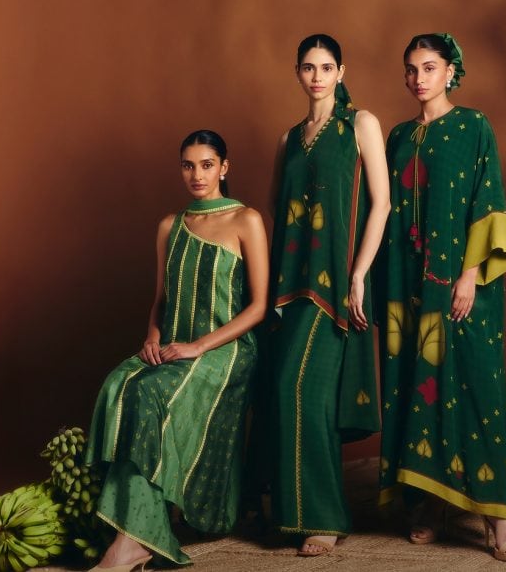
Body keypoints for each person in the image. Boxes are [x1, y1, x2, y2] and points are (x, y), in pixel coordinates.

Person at [82, 130, 268, 571]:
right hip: (172, 344)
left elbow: (259, 306)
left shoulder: (246, 220)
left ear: (224, 167)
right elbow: (161, 301)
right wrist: (151, 338)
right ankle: (137, 524)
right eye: (188, 165)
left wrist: (198, 346)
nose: (197, 175)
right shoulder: (170, 225)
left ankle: (131, 543)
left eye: (207, 165)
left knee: (148, 392)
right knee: (119, 384)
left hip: (226, 350)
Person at [378, 33, 506, 563]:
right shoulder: (398, 136)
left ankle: (499, 520)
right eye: (411, 69)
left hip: (460, 281)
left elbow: (488, 198)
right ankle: (430, 502)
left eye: (429, 67)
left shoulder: (473, 126)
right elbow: (384, 211)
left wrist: (469, 275)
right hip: (407, 284)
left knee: (476, 386)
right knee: (419, 386)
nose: (418, 78)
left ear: (450, 72)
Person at [268, 33, 391, 557]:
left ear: (341, 72)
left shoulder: (360, 124)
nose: (316, 76)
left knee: (304, 388)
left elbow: (381, 204)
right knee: (284, 391)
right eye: (307, 67)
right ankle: (290, 512)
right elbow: (277, 210)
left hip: (337, 286)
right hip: (289, 287)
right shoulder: (289, 138)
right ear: (297, 72)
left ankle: (324, 519)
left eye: (326, 67)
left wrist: (359, 274)